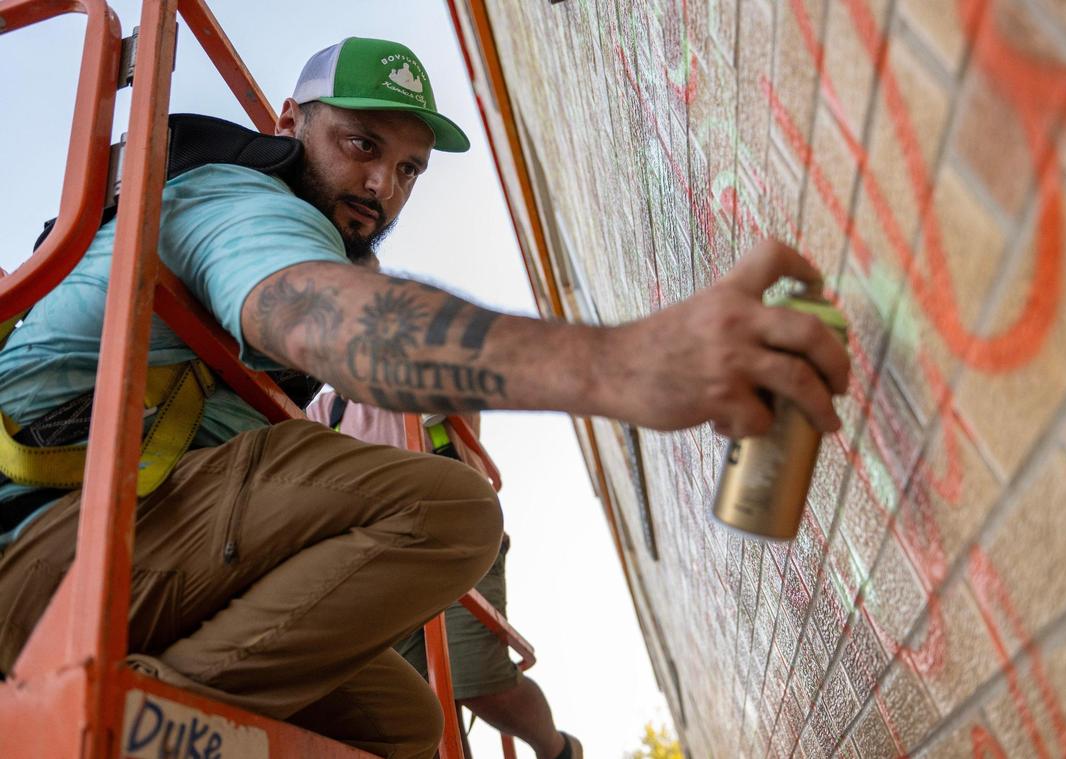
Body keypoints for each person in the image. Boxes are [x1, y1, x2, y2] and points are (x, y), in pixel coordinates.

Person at [0, 36, 849, 758]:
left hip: (124, 539)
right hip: (44, 547)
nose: (382, 188)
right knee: (445, 508)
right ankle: (119, 725)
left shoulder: (296, 225)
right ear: (289, 124)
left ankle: (144, 705)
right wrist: (619, 364)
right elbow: (309, 308)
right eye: (361, 145)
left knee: (408, 725)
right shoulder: (239, 198)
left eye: (408, 168)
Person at [308, 392, 583, 759]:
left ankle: (557, 749)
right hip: (379, 562)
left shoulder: (416, 364)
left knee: (472, 676)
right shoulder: (326, 411)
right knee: (420, 699)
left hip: (455, 530)